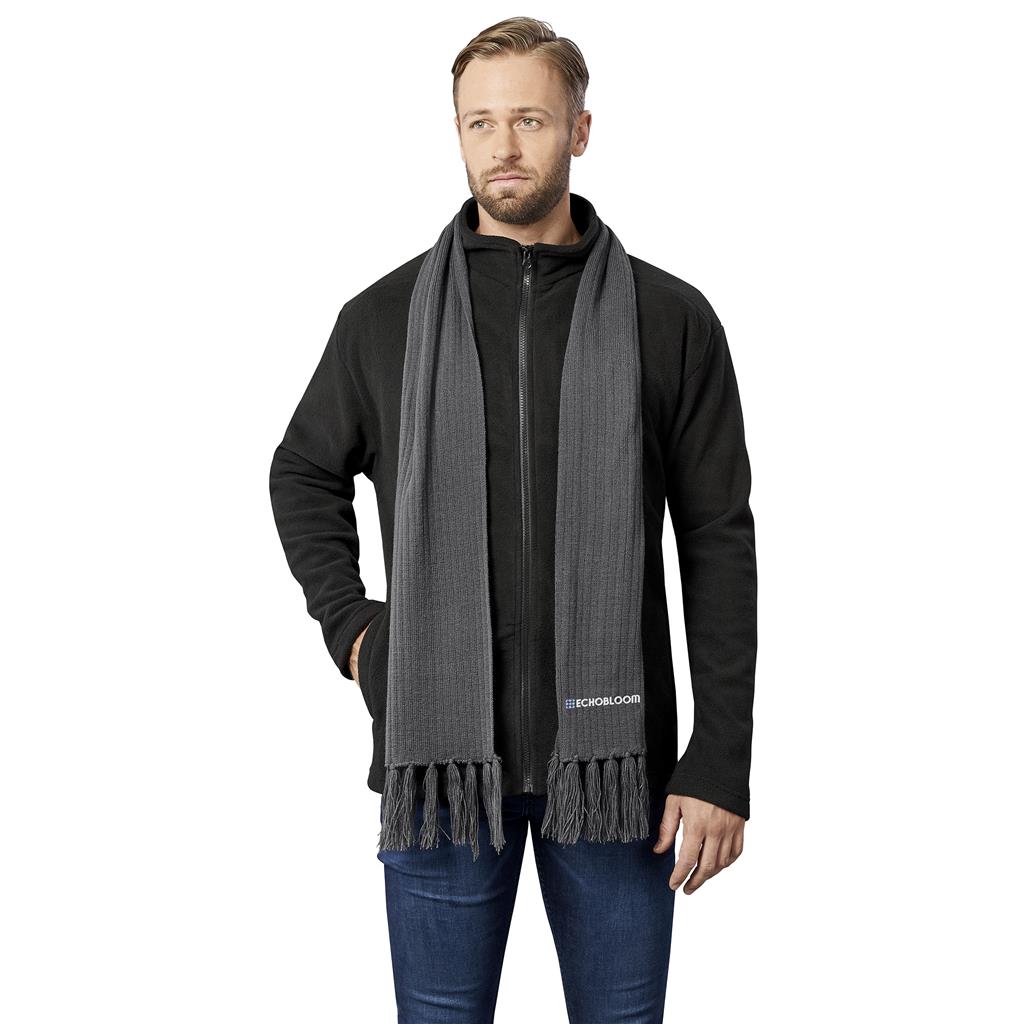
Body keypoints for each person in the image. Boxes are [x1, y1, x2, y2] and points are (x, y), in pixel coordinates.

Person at [269, 16, 757, 1024]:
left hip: (618, 775)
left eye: (529, 119)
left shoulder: (668, 319)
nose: (503, 145)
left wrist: (720, 758)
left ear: (580, 130)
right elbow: (302, 472)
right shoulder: (385, 319)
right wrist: (355, 632)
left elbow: (718, 540)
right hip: (441, 772)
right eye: (479, 122)